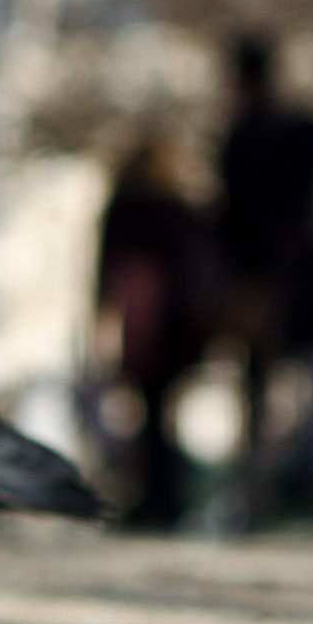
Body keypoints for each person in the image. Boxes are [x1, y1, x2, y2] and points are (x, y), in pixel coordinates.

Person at [216, 35, 313, 526]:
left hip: (268, 290)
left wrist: (244, 285)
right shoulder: (308, 133)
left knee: (268, 399)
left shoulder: (240, 141)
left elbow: (229, 223)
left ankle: (261, 500)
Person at [95, 135, 218, 529]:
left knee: (150, 412)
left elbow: (107, 272)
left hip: (147, 320)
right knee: (161, 411)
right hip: (177, 322)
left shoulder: (128, 210)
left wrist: (103, 323)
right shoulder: (179, 209)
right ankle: (167, 498)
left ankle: (155, 498)